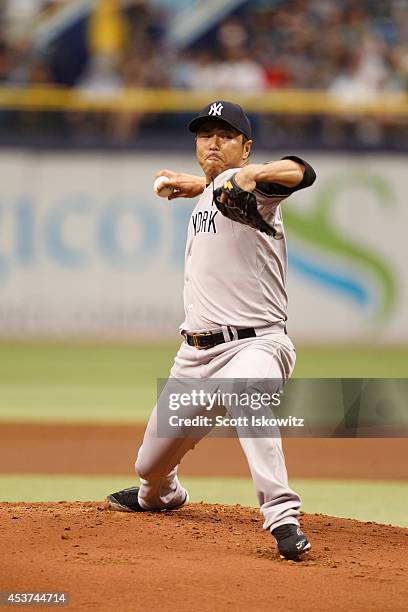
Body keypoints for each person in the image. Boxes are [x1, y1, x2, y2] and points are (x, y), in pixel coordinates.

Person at [107, 100, 316, 561]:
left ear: (246, 147)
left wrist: (248, 175)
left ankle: (282, 515)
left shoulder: (255, 191)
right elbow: (218, 187)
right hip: (194, 358)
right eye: (206, 135)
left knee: (244, 391)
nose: (214, 142)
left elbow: (302, 171)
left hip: (256, 344)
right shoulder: (212, 189)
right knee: (148, 469)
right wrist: (204, 182)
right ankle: (163, 496)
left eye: (225, 135)